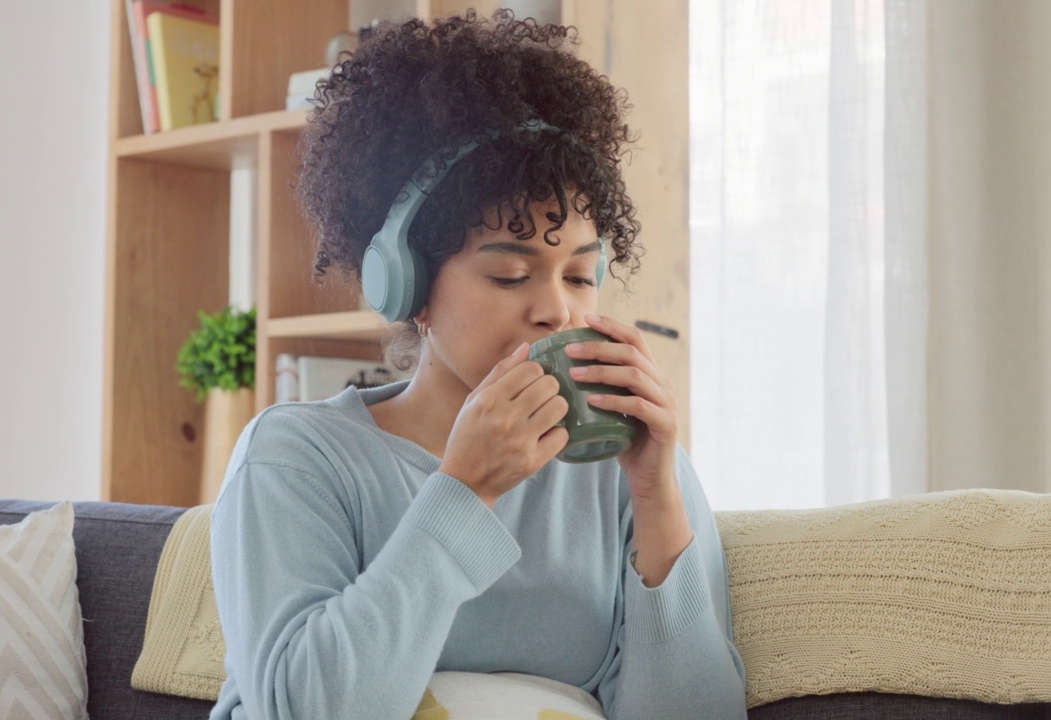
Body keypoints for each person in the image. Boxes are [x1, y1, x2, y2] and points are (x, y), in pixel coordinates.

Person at [208, 10, 747, 720]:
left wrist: (656, 499)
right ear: (410, 288)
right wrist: (462, 491)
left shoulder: (635, 474)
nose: (558, 312)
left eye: (581, 278)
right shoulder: (297, 457)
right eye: (510, 276)